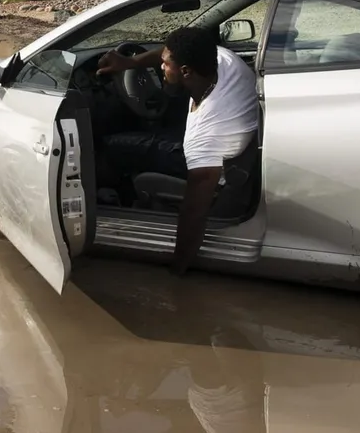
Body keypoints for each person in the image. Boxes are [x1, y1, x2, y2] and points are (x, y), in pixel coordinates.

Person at [97, 26, 259, 275]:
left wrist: (177, 271)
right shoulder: (222, 60)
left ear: (185, 71)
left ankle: (116, 196)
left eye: (165, 65)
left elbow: (194, 211)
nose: (160, 66)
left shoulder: (205, 132)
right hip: (230, 147)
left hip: (215, 169)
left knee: (112, 146)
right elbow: (171, 52)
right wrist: (130, 62)